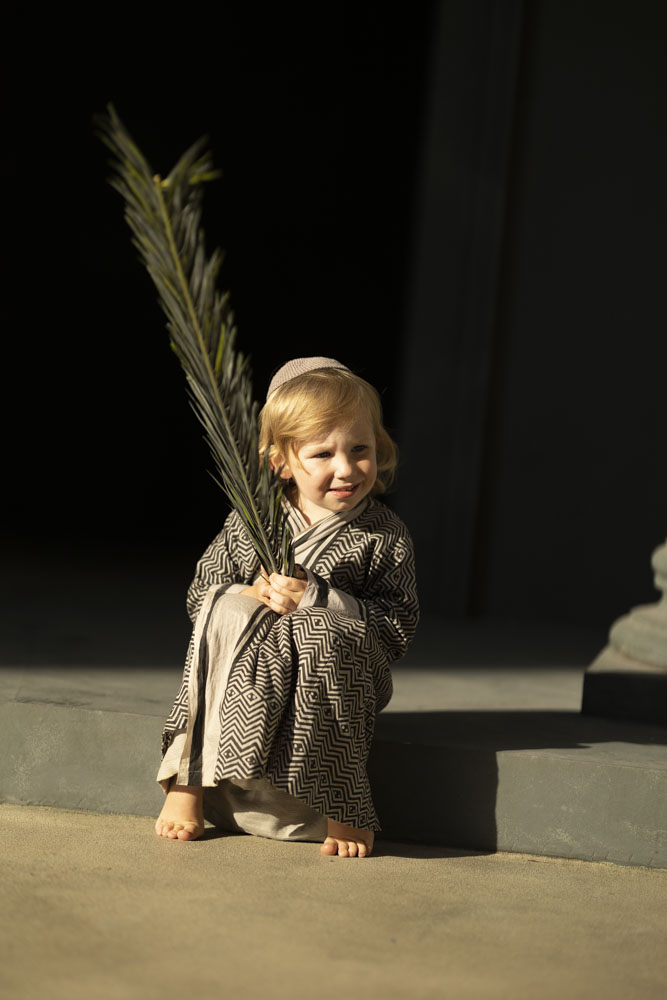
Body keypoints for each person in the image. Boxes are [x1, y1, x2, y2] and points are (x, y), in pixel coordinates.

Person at [155, 357, 419, 857]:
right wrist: (248, 594)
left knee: (322, 628)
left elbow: (397, 627)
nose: (346, 469)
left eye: (359, 449)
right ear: (280, 462)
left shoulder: (384, 535)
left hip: (339, 675)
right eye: (322, 454)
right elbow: (199, 595)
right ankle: (188, 780)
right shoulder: (253, 522)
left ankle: (343, 804)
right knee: (225, 609)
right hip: (250, 677)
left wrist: (318, 600)